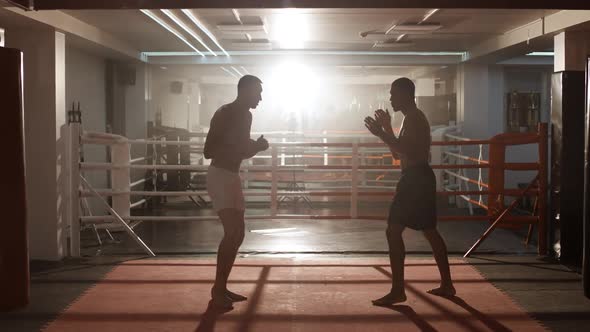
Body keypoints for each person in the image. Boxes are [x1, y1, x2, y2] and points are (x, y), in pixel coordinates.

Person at [364, 77, 455, 306]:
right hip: (418, 178)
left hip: (415, 180)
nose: (391, 98)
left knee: (393, 231)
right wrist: (385, 129)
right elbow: (399, 154)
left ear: (406, 95)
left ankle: (398, 290)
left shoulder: (414, 118)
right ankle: (447, 284)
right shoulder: (409, 119)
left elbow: (405, 149)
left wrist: (381, 133)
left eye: (394, 94)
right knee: (429, 231)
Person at [203, 75, 269, 309]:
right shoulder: (226, 113)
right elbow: (208, 150)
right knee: (232, 233)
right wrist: (249, 146)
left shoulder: (245, 115)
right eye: (258, 92)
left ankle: (221, 288)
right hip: (220, 176)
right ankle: (217, 290)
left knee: (238, 234)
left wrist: (254, 147)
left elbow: (240, 151)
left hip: (230, 176)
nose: (261, 97)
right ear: (246, 91)